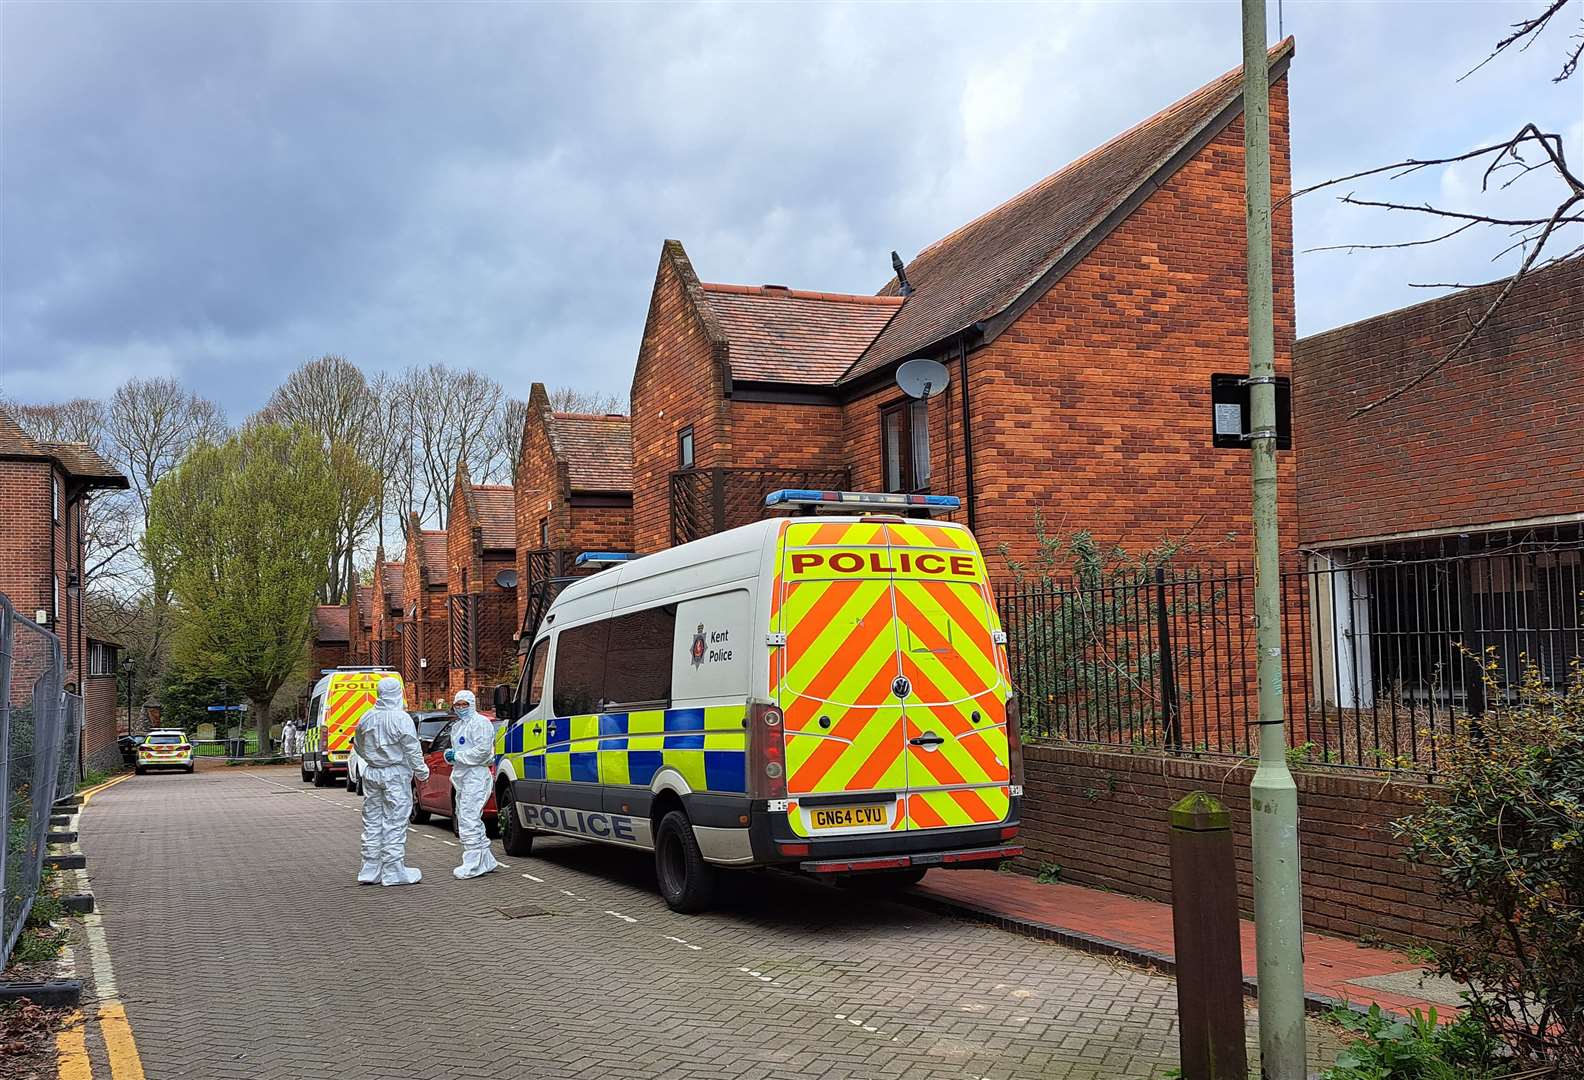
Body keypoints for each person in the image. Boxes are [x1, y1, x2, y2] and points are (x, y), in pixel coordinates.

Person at [352, 677, 429, 885]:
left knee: (372, 820)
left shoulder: (366, 717)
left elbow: (357, 745)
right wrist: (422, 772)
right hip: (394, 773)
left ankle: (369, 869)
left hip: (372, 773)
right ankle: (393, 870)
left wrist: (371, 759)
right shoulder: (401, 719)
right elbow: (412, 749)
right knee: (395, 821)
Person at [444, 690, 500, 879]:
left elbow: (483, 752)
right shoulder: (457, 726)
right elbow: (460, 749)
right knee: (465, 815)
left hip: (476, 776)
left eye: (464, 704)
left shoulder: (481, 723)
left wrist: (457, 756)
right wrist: (451, 756)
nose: (460, 708)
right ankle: (486, 859)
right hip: (462, 776)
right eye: (457, 705)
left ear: (472, 704)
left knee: (468, 818)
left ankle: (473, 863)